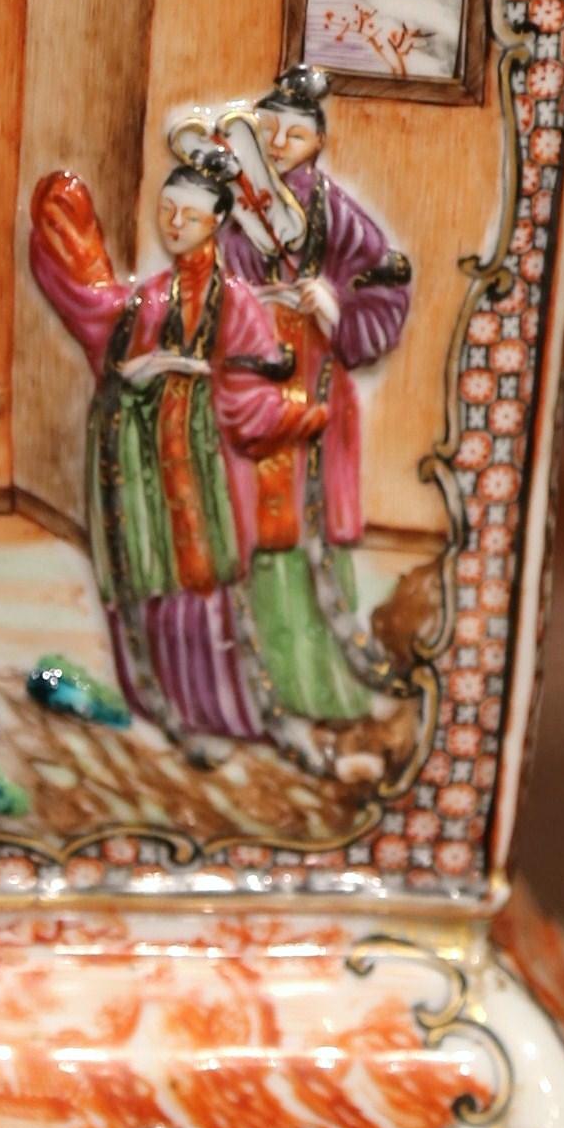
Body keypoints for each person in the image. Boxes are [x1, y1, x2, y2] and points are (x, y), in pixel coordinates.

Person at [27, 148, 319, 767]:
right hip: (134, 453)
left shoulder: (234, 301)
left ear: (217, 220)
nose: (175, 224)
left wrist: (289, 414)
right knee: (148, 572)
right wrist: (139, 370)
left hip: (201, 457)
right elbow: (104, 330)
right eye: (168, 211)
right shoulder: (147, 300)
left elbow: (249, 390)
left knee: (206, 577)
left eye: (189, 214)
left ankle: (240, 711)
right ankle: (163, 706)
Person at [219, 63, 412, 722]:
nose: (278, 144)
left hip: (319, 378)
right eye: (268, 131)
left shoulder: (335, 210)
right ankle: (266, 678)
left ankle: (329, 670)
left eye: (294, 134)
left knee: (313, 522)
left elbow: (386, 284)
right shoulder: (242, 209)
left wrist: (331, 304)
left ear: (318, 139)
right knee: (258, 526)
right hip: (254, 381)